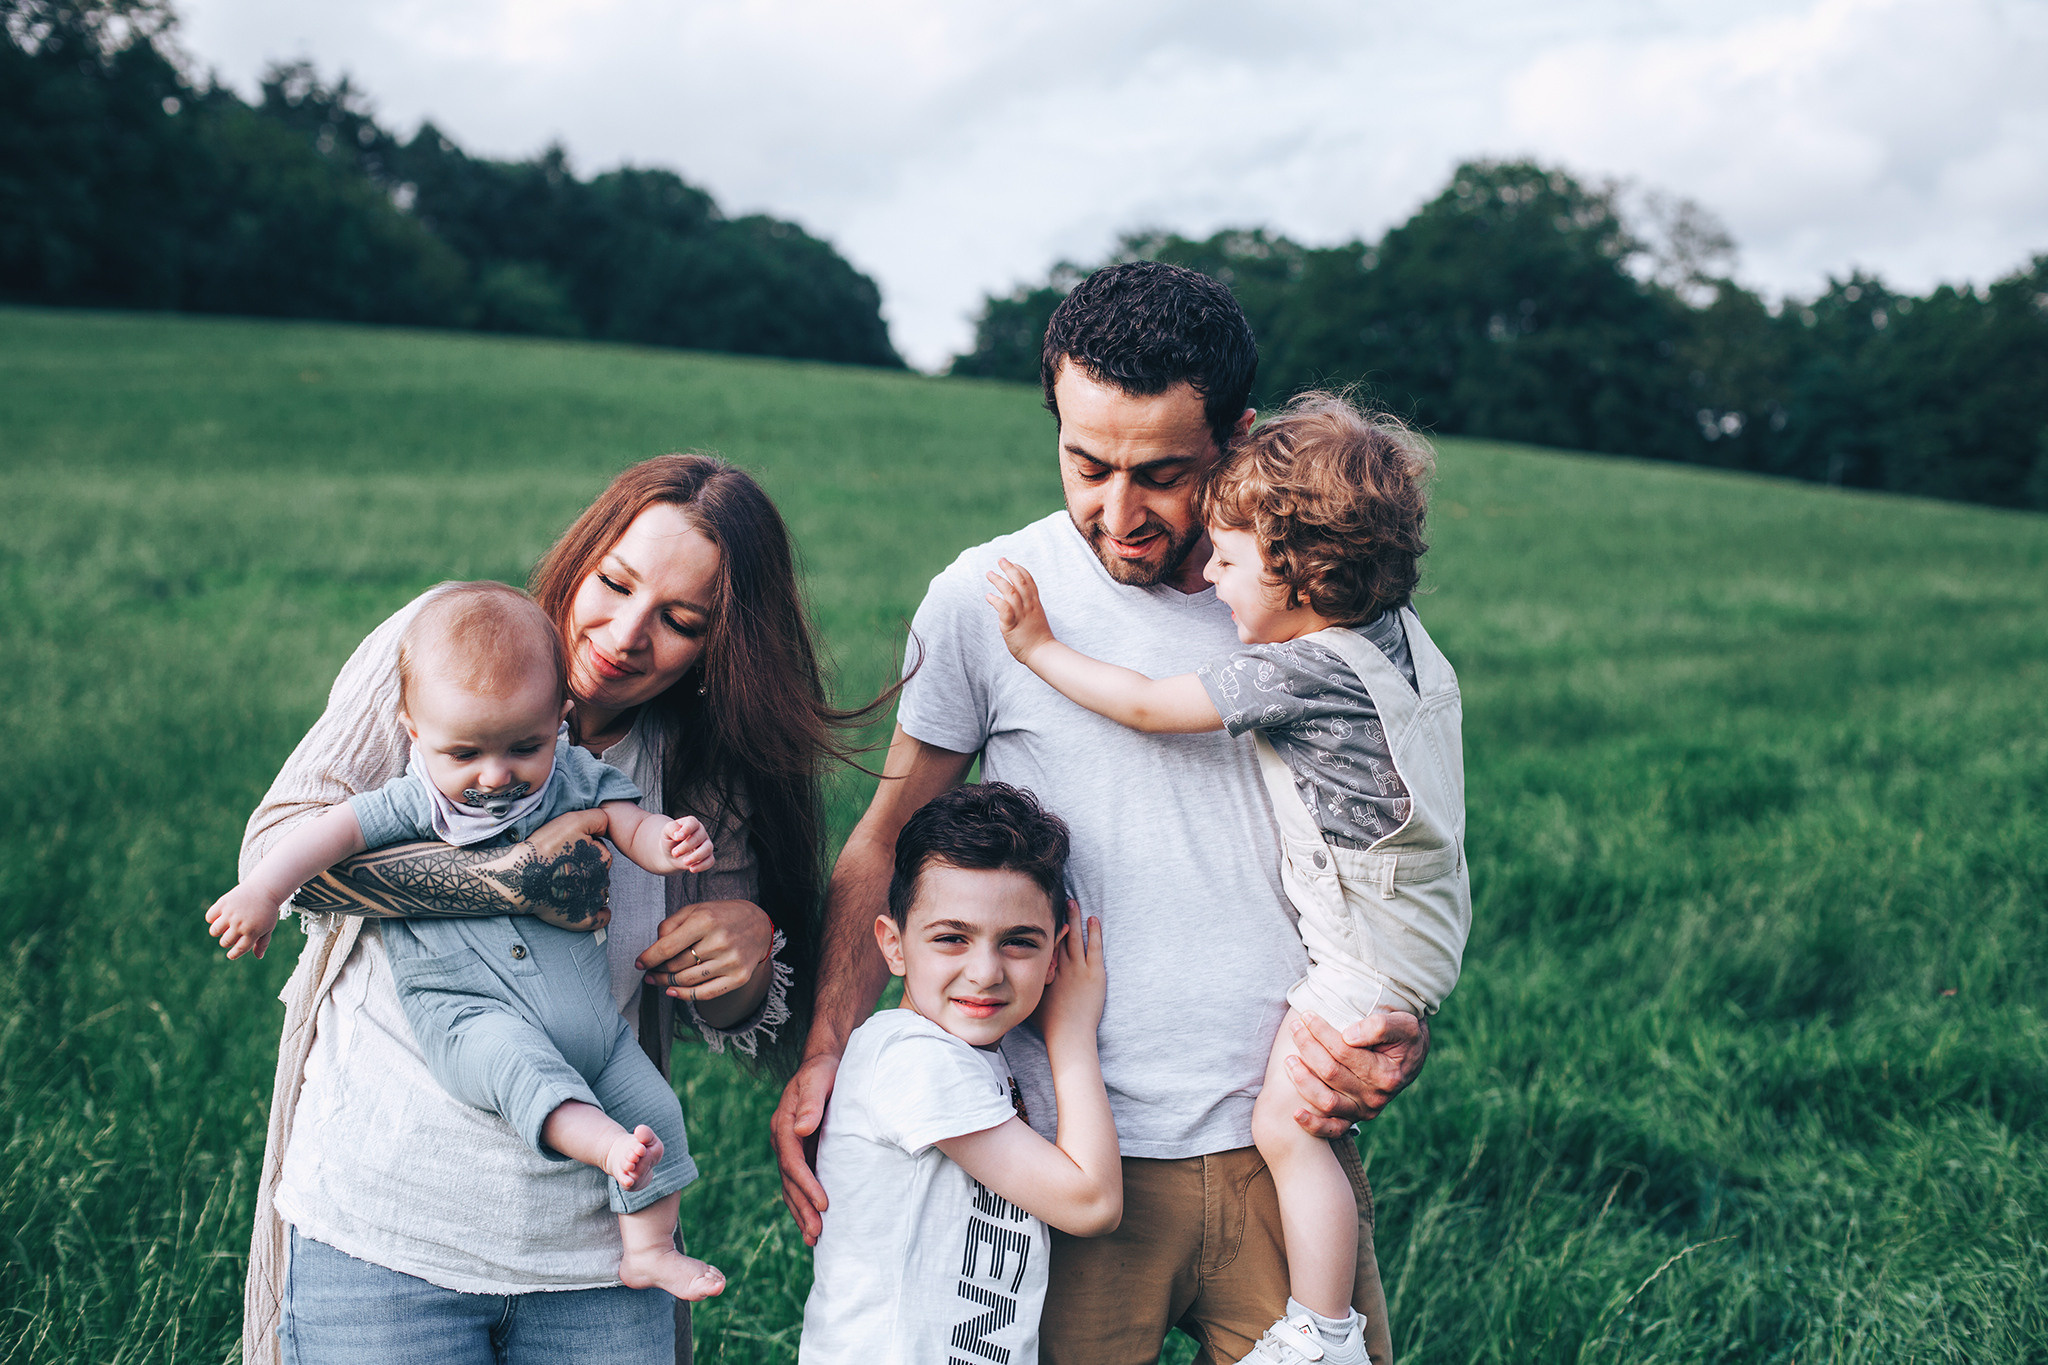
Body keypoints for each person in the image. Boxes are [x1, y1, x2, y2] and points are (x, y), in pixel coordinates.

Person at [773, 262, 1432, 1365]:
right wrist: (826, 1051)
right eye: (1086, 464)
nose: (1117, 514)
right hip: (1059, 1157)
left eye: (1163, 475)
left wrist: (1397, 1016)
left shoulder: (1323, 601)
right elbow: (884, 839)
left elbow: (1402, 841)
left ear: (1237, 439)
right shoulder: (987, 599)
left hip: (1279, 1147)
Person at [241, 454, 885, 1365]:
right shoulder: (445, 649)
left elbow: (729, 1015)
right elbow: (280, 847)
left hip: (595, 1254)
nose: (625, 634)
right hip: (386, 1226)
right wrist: (514, 879)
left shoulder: (697, 769)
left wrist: (750, 950)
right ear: (581, 556)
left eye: (680, 621)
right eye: (615, 583)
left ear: (720, 647)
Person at [983, 392, 1470, 1364]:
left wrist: (1037, 647)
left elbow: (1147, 705)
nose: (1210, 575)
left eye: (1232, 561)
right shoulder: (1395, 634)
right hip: (1417, 931)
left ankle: (1318, 1330)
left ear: (1303, 575)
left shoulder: (1304, 670)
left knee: (1287, 1127)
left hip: (1364, 954)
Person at [212, 582, 727, 1302]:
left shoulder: (573, 775)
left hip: (593, 1024)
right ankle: (607, 1147)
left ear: (559, 719)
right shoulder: (418, 797)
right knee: (524, 1072)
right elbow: (330, 834)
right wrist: (263, 892)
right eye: (465, 753)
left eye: (524, 746)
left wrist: (667, 842)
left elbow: (626, 823)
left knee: (657, 1108)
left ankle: (647, 1249)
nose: (495, 776)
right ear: (414, 732)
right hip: (469, 1018)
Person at [798, 783, 1121, 1364]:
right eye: (951, 938)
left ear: (1055, 955)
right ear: (894, 946)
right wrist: (1072, 1034)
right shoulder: (915, 1059)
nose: (985, 971)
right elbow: (1091, 1202)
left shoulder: (957, 1053)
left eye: (1018, 942)